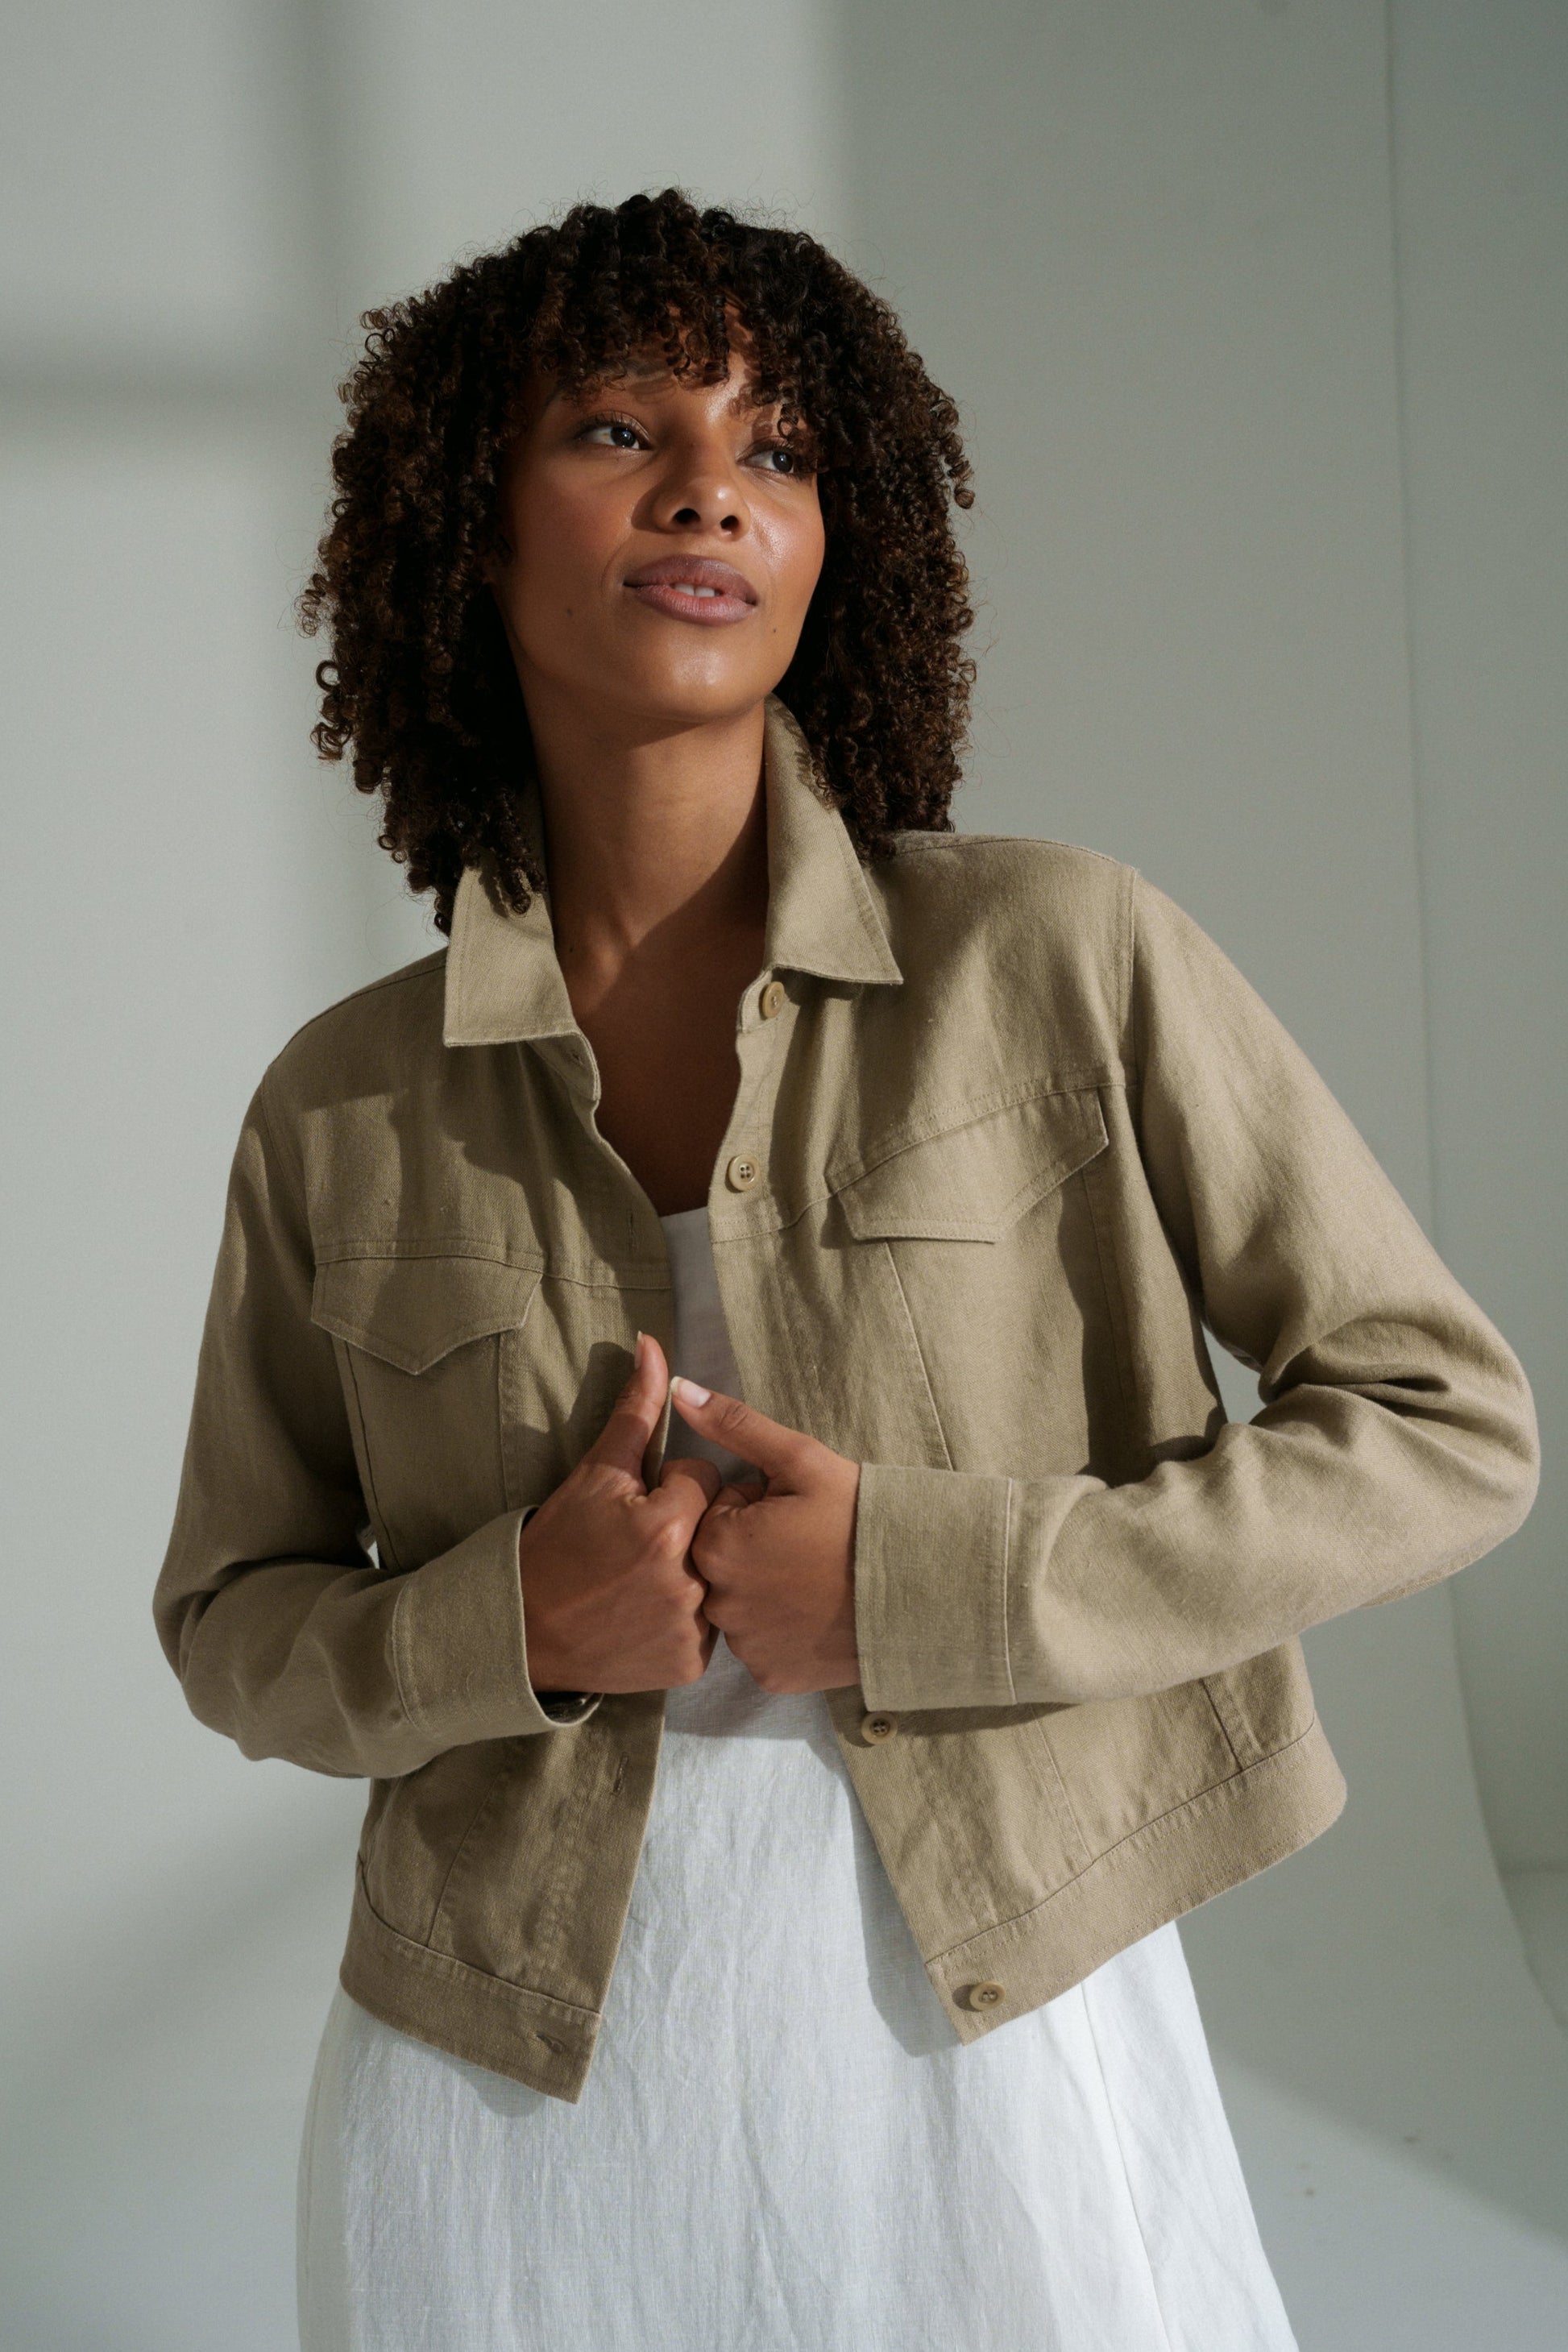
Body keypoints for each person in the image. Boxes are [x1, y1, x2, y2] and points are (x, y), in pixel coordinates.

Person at [154, 189, 1539, 2352]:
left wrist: (920, 1574)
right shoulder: (339, 1100)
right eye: (619, 427)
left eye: (778, 445)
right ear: (464, 524)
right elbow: (234, 1624)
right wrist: (508, 1620)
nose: (712, 483)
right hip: (499, 2071)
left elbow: (1445, 1434)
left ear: (837, 537)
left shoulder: (1058, 954)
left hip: (989, 2010)